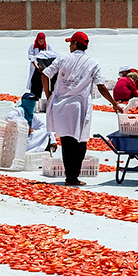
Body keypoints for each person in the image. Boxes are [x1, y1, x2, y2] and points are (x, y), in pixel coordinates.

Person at [41, 31, 120, 186]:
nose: (69, 46)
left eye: (71, 43)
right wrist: (114, 103)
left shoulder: (63, 58)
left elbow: (45, 75)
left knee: (66, 141)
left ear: (75, 44)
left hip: (61, 107)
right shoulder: (93, 63)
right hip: (79, 108)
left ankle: (70, 177)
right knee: (80, 142)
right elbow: (101, 86)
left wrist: (48, 94)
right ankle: (72, 177)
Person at [21, 49, 56, 127]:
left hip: (50, 64)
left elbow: (45, 76)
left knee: (54, 84)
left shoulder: (51, 62)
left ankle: (52, 104)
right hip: (45, 65)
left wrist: (49, 96)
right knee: (36, 82)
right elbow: (43, 76)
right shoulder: (37, 61)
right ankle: (38, 100)